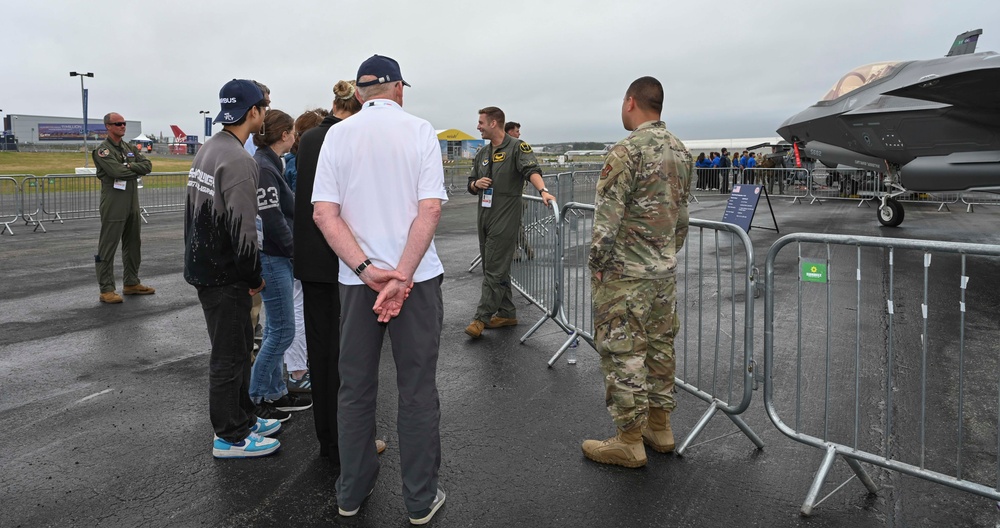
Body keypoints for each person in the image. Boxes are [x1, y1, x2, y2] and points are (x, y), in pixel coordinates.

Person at [313, 54, 447, 525]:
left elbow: (323, 214)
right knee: (415, 390)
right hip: (417, 282)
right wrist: (403, 275)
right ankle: (418, 499)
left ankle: (351, 491)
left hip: (357, 283)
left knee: (354, 389)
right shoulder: (419, 130)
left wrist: (368, 269)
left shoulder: (337, 134)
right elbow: (429, 210)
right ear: (398, 89)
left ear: (360, 93)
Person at [582, 76, 693, 468]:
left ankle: (629, 440)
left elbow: (606, 221)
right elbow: (681, 219)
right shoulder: (680, 151)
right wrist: (662, 255)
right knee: (661, 349)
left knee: (624, 353)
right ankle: (660, 428)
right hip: (663, 273)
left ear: (631, 102)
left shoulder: (627, 151)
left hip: (626, 276)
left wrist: (598, 267)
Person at [184, 79, 281, 458]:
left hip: (206, 265)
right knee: (228, 355)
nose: (266, 113)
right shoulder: (240, 160)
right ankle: (230, 435)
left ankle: (244, 416)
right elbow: (244, 231)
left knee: (240, 349)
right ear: (252, 112)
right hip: (226, 273)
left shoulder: (210, 147)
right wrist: (254, 276)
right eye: (264, 106)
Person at [294, 80, 387, 461]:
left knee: (321, 354)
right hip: (341, 262)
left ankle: (329, 440)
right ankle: (350, 444)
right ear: (359, 102)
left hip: (312, 261)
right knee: (348, 360)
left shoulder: (312, 137)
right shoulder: (347, 136)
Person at [465, 106, 554, 338]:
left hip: (505, 215)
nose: (478, 126)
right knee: (493, 267)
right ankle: (506, 312)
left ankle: (480, 318)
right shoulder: (482, 154)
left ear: (494, 123)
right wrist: (477, 185)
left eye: (481, 122)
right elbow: (470, 182)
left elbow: (531, 170)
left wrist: (543, 190)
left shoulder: (517, 147)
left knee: (493, 269)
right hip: (484, 214)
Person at [250, 109, 313, 421]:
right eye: (292, 131)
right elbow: (272, 218)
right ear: (284, 134)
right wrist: (295, 252)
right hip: (274, 256)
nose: (295, 136)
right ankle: (256, 395)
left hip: (277, 255)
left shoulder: (272, 162)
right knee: (283, 331)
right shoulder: (264, 166)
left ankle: (274, 392)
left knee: (277, 328)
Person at [281, 109, 326, 394]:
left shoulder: (293, 162)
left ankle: (300, 365)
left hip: (297, 242)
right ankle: (297, 371)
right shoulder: (300, 166)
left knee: (298, 305)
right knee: (296, 306)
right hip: (299, 243)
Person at [92, 112, 154, 304]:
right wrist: (133, 167)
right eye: (118, 123)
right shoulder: (103, 150)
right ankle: (107, 288)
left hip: (132, 202)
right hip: (114, 202)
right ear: (108, 127)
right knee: (108, 245)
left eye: (124, 123)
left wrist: (128, 165)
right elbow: (115, 171)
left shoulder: (128, 147)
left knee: (134, 243)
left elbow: (148, 165)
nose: (122, 126)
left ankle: (131, 282)